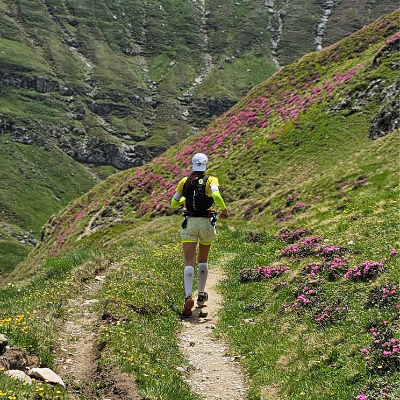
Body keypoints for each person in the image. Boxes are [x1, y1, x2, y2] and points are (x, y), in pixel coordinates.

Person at [171, 153, 229, 317]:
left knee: (189, 261)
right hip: (206, 222)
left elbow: (174, 202)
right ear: (205, 165)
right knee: (203, 259)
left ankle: (188, 295)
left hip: (189, 221)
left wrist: (186, 198)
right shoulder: (211, 180)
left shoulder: (185, 181)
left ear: (193, 165)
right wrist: (224, 210)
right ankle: (201, 294)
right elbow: (216, 195)